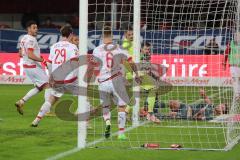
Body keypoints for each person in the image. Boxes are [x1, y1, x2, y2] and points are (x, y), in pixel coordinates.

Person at [92, 26, 140, 140]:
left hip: (103, 81)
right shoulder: (119, 48)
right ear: (112, 36)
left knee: (106, 106)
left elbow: (94, 66)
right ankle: (121, 133)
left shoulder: (97, 50)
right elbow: (131, 62)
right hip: (117, 80)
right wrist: (136, 74)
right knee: (121, 106)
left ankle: (108, 122)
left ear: (103, 36)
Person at [31, 25, 79, 127]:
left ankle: (36, 120)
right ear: (70, 34)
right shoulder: (73, 47)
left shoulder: (54, 46)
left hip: (57, 78)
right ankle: (86, 122)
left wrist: (50, 76)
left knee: (52, 99)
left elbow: (49, 63)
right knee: (85, 93)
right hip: (70, 78)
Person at [15, 21, 50, 115]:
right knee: (48, 85)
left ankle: (21, 102)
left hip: (27, 66)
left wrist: (35, 57)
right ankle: (47, 110)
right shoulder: (31, 39)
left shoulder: (23, 38)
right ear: (28, 29)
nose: (36, 29)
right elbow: (30, 55)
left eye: (36, 27)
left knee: (39, 87)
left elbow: (20, 54)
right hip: (33, 66)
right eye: (34, 27)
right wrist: (41, 60)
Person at [223, 32, 240, 100]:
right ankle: (237, 95)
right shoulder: (230, 44)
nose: (236, 37)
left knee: (238, 80)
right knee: (235, 80)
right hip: (233, 65)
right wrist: (224, 63)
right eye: (235, 35)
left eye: (238, 36)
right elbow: (226, 53)